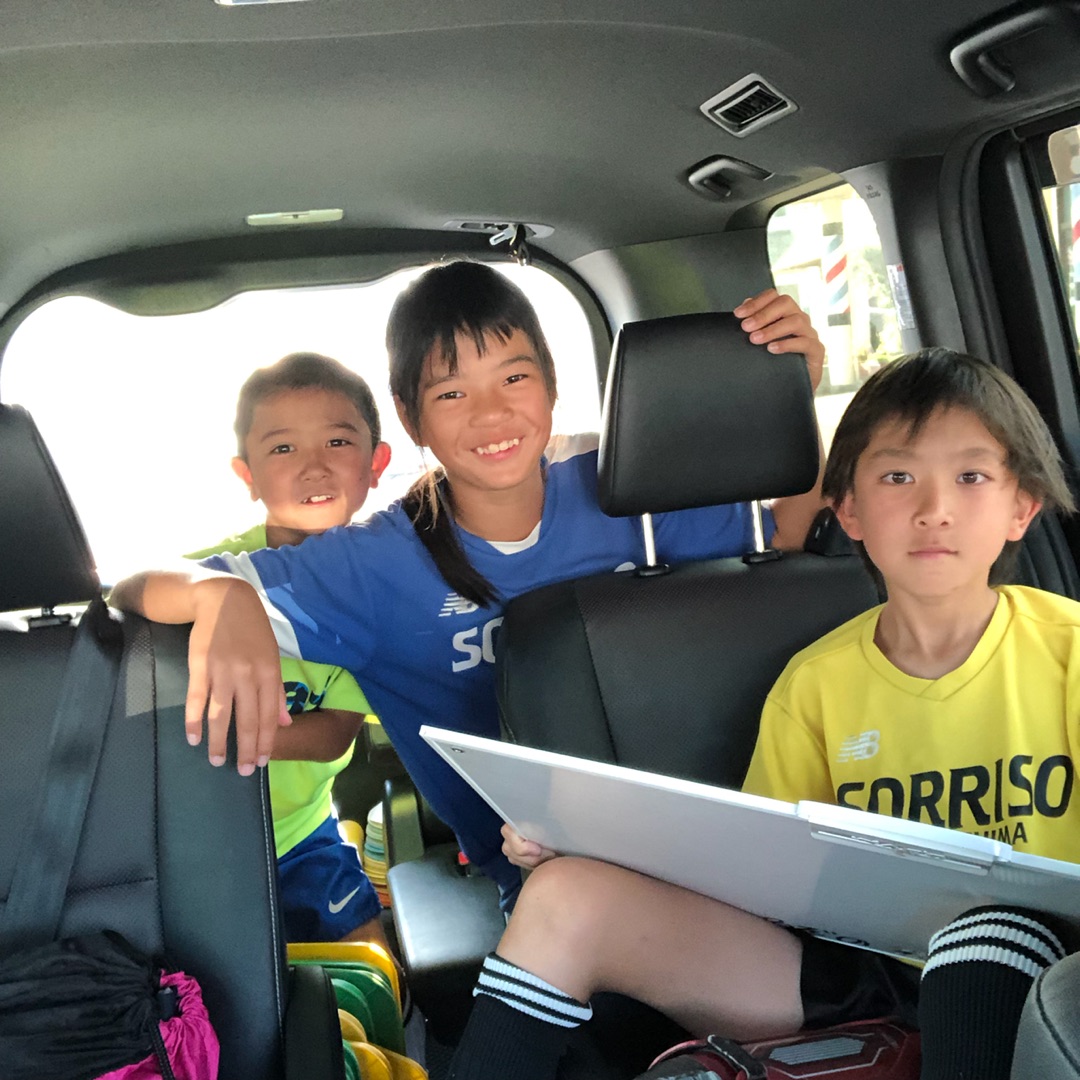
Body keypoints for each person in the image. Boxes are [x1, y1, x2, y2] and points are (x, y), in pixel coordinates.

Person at [445, 347, 1080, 1080]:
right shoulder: (815, 683)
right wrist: (573, 840)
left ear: (1022, 507)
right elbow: (762, 884)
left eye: (971, 477)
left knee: (984, 932)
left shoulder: (1067, 654)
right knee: (564, 896)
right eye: (898, 477)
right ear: (848, 509)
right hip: (860, 974)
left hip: (1043, 974)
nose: (934, 508)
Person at [109, 261, 827, 908]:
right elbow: (134, 588)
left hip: (708, 833)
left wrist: (796, 391)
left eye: (514, 377)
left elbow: (785, 537)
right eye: (451, 392)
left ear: (551, 381)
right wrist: (219, 594)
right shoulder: (374, 567)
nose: (491, 414)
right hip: (542, 874)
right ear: (409, 416)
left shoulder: (624, 486)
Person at [185, 351, 392, 946]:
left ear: (376, 463)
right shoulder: (221, 571)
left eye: (337, 442)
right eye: (282, 449)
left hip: (302, 833)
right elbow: (130, 589)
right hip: (199, 838)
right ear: (247, 475)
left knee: (372, 963)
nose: (313, 468)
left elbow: (334, 734)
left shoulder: (373, 594)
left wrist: (226, 735)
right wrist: (218, 595)